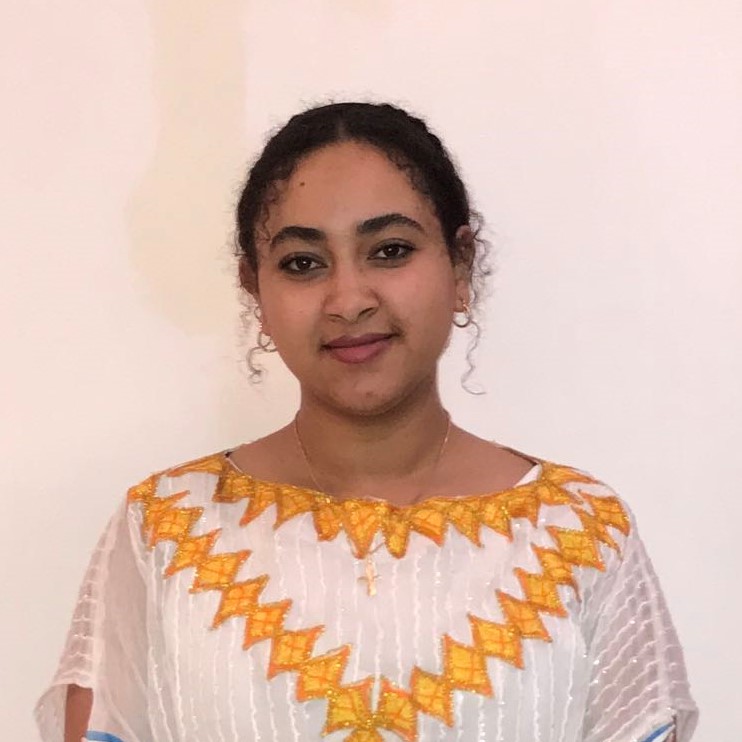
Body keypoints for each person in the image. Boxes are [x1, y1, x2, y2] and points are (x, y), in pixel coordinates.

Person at [36, 102, 698, 742]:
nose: (348, 300)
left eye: (390, 250)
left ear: (460, 267)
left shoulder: (579, 537)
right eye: (303, 263)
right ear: (255, 290)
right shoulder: (166, 534)